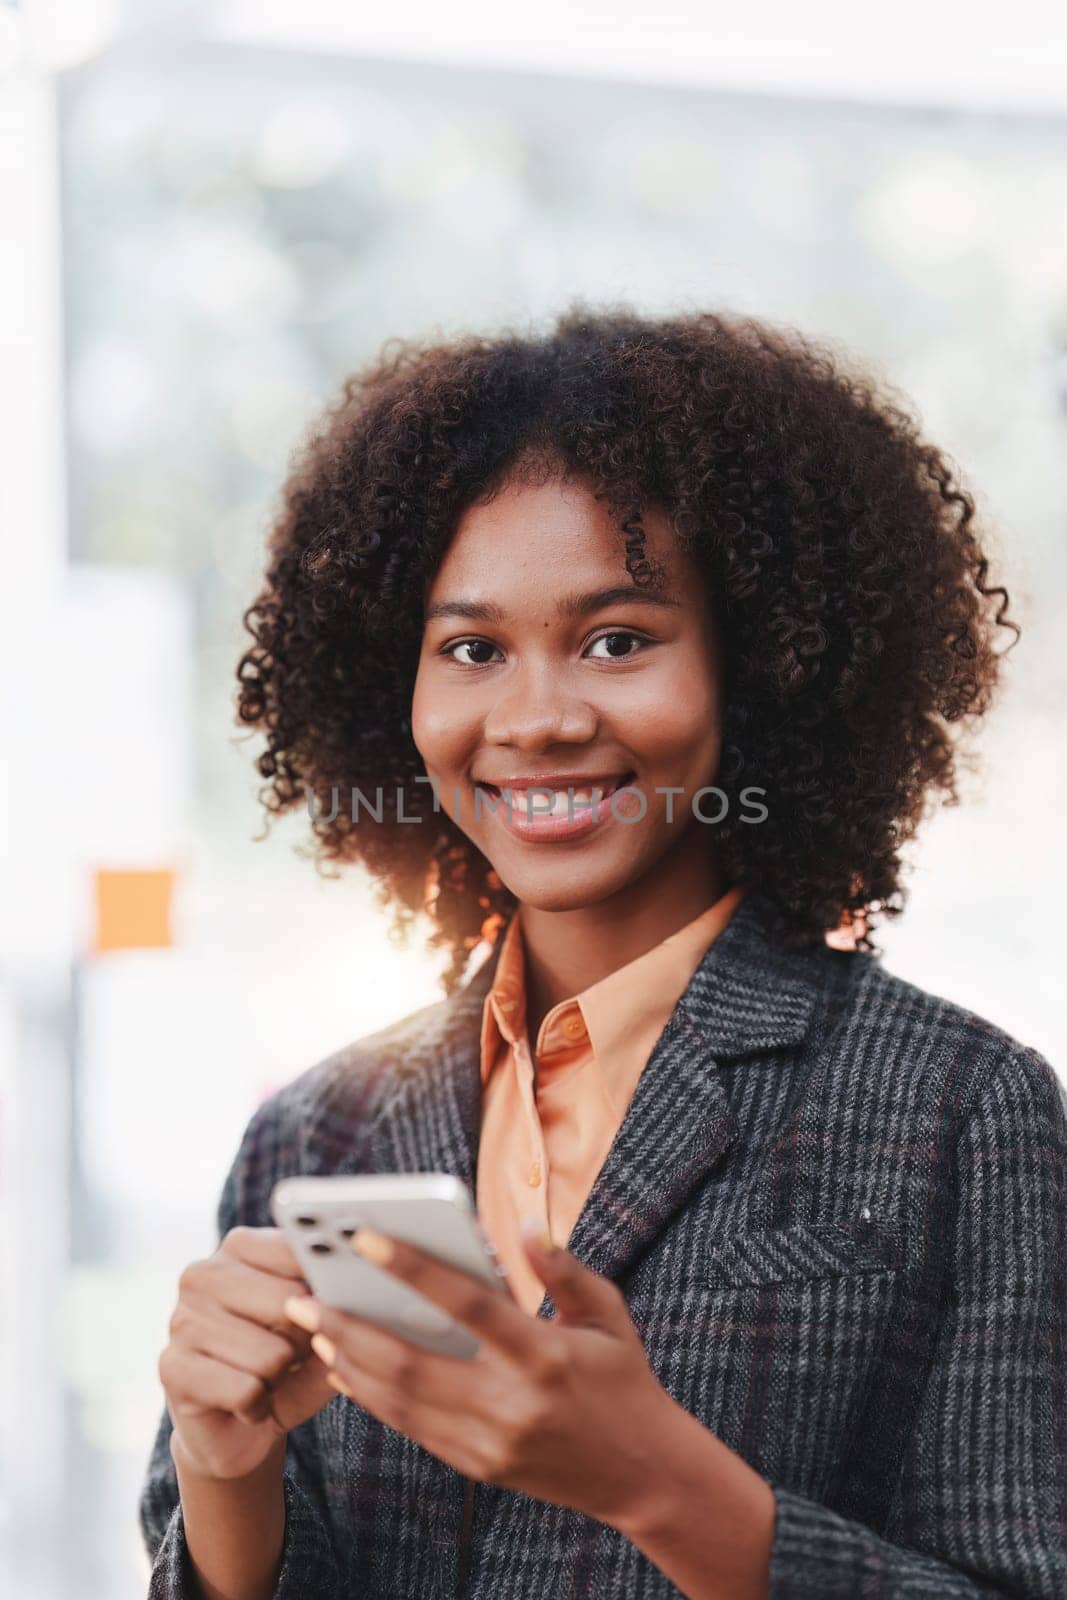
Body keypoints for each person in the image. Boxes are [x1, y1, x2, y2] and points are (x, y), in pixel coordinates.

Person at [139, 305, 1067, 1599]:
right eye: (472, 650)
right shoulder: (317, 1136)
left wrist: (662, 1484)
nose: (537, 718)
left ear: (765, 664)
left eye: (618, 639)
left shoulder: (962, 1112)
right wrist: (225, 1474)